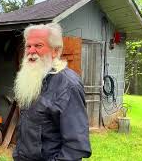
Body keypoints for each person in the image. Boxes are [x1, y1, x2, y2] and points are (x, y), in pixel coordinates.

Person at [13, 23, 91, 161]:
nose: (31, 51)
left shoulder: (68, 85)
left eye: (38, 46)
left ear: (55, 51)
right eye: (28, 46)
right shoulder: (33, 78)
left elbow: (75, 147)